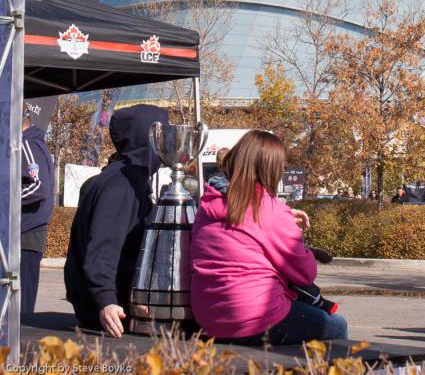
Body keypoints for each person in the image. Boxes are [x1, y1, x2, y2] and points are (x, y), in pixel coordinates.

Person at [191, 129, 348, 344]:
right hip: (254, 317)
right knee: (338, 327)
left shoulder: (208, 204)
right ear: (271, 170)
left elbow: (243, 227)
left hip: (209, 316)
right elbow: (305, 273)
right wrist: (291, 231)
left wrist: (282, 218)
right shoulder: (271, 211)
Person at [64, 104, 168, 337]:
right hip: (111, 313)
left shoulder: (126, 177)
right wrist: (105, 299)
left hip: (112, 304)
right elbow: (104, 244)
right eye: (162, 136)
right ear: (146, 138)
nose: (166, 144)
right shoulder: (123, 184)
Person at [20, 111, 54, 314]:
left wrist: (6, 198)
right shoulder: (31, 144)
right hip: (26, 234)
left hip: (26, 235)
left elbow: (38, 186)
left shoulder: (26, 144)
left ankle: (18, 344)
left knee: (20, 305)